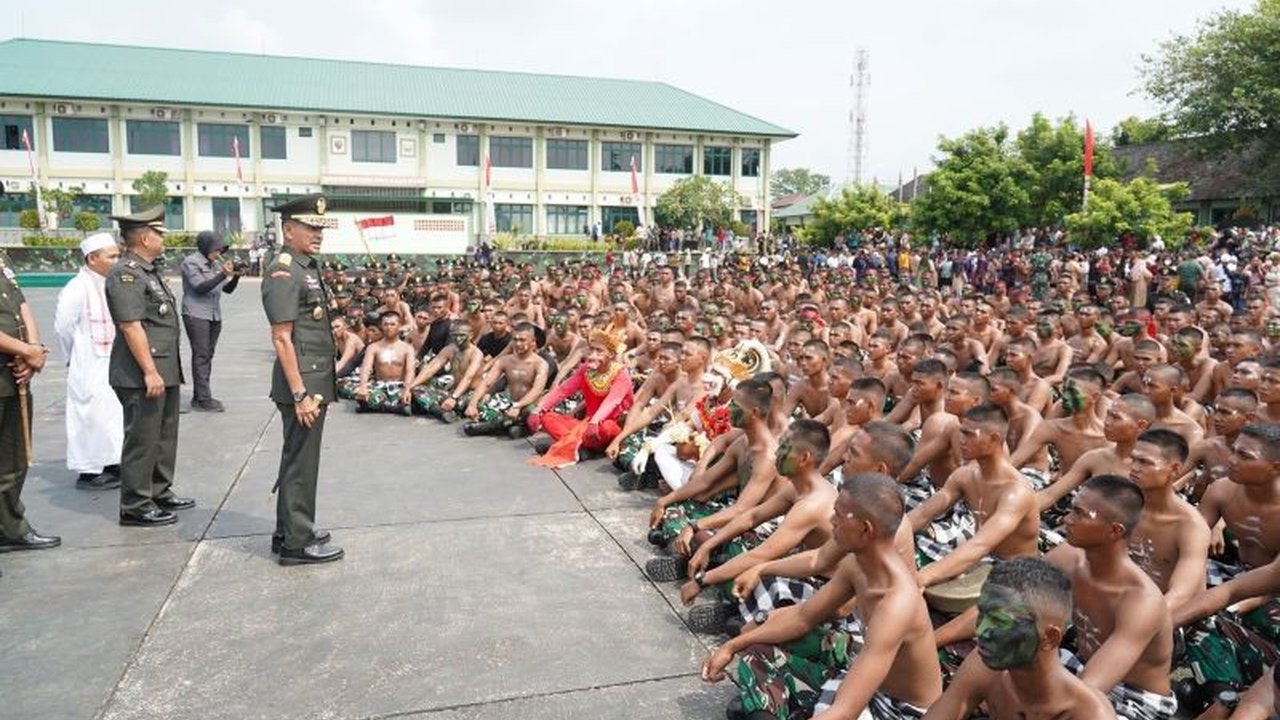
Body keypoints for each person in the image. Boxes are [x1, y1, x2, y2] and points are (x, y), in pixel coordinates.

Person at [702, 472, 943, 720]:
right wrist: (730, 647)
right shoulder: (857, 565)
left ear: (865, 529)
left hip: (900, 712)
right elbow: (803, 617)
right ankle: (781, 708)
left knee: (825, 706)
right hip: (865, 686)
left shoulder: (897, 604)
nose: (831, 521)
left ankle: (779, 707)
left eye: (838, 515)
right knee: (756, 645)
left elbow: (845, 711)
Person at [922, 557, 1118, 719]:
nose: (981, 630)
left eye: (1000, 621)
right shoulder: (984, 668)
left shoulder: (1088, 714)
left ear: (1049, 637)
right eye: (982, 614)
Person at [260, 194, 342, 565]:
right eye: (310, 226)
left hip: (312, 380)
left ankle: (289, 530)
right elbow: (281, 337)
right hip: (303, 385)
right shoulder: (284, 270)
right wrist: (299, 393)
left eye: (320, 227)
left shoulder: (303, 266)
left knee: (298, 458)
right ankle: (297, 544)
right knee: (300, 463)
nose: (318, 233)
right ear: (288, 229)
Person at [104, 206, 196, 527]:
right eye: (159, 234)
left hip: (162, 368)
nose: (163, 239)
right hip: (140, 373)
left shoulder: (149, 271)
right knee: (142, 438)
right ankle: (135, 504)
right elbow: (131, 326)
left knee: (164, 435)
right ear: (145, 237)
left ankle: (159, 490)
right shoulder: (126, 273)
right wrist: (149, 370)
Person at [0, 247, 60, 558]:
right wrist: (25, 350)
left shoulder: (2, 256)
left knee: (14, 459)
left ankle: (10, 529)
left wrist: (31, 349)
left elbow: (20, 303)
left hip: (11, 372)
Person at [54, 233, 124, 489]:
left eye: (118, 255)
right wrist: (73, 357)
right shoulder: (77, 287)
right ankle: (89, 470)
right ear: (92, 259)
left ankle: (112, 462)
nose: (117, 260)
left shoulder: (111, 283)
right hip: (88, 361)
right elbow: (63, 327)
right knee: (90, 414)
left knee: (112, 413)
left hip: (112, 360)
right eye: (112, 256)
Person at [179, 230, 241, 411]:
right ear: (206, 247)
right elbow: (200, 288)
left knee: (207, 355)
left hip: (214, 314)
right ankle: (203, 399)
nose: (219, 253)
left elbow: (226, 290)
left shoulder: (214, 264)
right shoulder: (191, 262)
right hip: (196, 314)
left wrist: (236, 276)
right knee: (201, 355)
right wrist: (222, 274)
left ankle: (201, 395)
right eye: (216, 249)